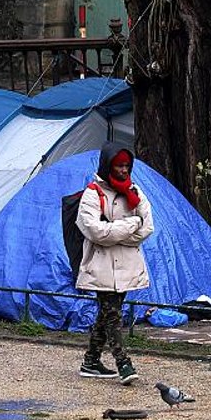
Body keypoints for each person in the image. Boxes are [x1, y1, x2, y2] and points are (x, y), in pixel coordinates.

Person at [75, 142, 153, 385]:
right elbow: (96, 232)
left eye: (127, 166)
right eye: (119, 165)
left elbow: (148, 227)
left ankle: (91, 361)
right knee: (112, 315)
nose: (123, 170)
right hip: (101, 265)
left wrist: (115, 232)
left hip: (127, 264)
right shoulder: (92, 194)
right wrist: (131, 225)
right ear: (108, 165)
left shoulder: (135, 192)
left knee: (107, 313)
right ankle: (124, 364)